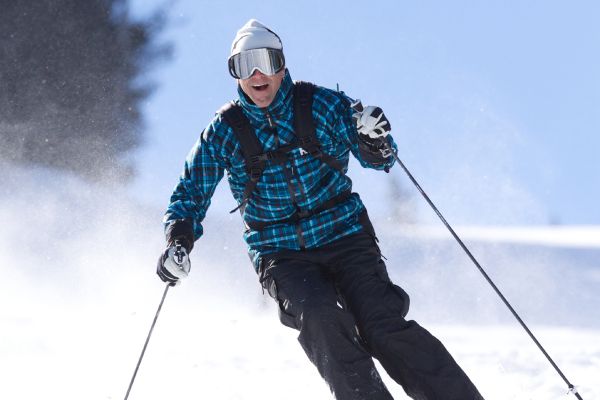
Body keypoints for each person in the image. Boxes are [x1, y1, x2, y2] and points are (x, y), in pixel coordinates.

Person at [157, 19, 484, 400]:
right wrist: (179, 240)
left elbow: (380, 158)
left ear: (282, 66)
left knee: (381, 326)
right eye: (244, 66)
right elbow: (191, 192)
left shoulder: (321, 105)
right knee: (321, 320)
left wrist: (374, 138)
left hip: (345, 237)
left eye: (265, 61)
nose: (257, 74)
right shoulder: (224, 131)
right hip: (283, 254)